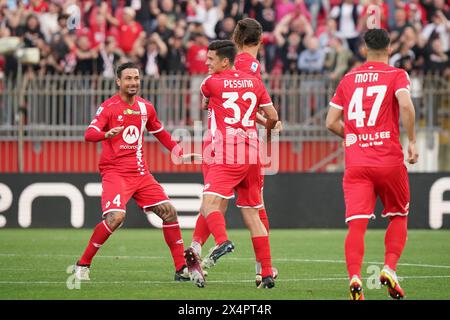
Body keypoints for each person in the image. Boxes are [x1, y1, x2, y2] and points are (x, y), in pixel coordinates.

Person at [74, 62, 198, 282]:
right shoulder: (109, 107)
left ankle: (181, 269)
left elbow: (160, 132)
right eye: (128, 78)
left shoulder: (145, 107)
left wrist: (179, 152)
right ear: (118, 81)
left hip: (140, 172)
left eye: (136, 78)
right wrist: (106, 134)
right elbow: (89, 133)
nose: (133, 82)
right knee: (115, 218)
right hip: (115, 172)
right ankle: (82, 264)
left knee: (169, 211)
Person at [187, 18, 281, 288]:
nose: (209, 63)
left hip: (220, 145)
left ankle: (200, 249)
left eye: (211, 59)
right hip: (249, 148)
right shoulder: (252, 70)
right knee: (254, 209)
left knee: (212, 202)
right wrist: (266, 125)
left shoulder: (216, 76)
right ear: (260, 40)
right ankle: (263, 269)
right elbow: (258, 109)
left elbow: (208, 100)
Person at [326, 29, 418, 300]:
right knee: (399, 216)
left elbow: (330, 122)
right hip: (388, 160)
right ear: (389, 49)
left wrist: (354, 136)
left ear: (364, 49)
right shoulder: (396, 75)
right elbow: (407, 105)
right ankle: (389, 268)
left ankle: (355, 276)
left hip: (357, 163)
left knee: (357, 224)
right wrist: (411, 141)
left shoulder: (348, 78)